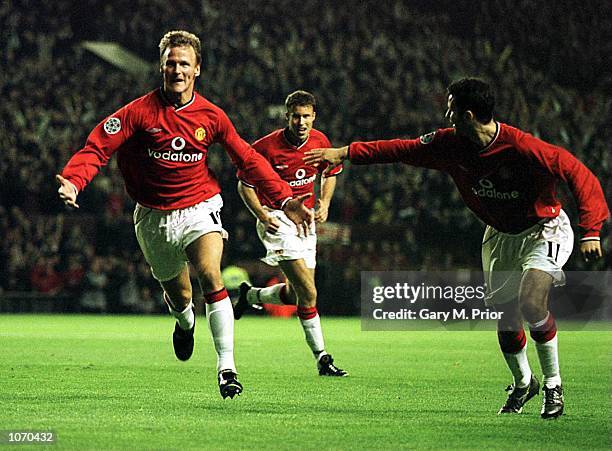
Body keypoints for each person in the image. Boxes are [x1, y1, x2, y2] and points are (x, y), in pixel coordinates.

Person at [304, 78, 608, 417]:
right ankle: (524, 383)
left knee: (532, 302)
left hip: (543, 229)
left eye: (450, 107)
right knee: (507, 322)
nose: (446, 113)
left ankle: (553, 385)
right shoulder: (449, 144)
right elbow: (400, 149)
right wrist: (345, 152)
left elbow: (579, 173)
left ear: (467, 114)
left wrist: (591, 230)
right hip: (499, 236)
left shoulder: (521, 147)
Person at [56, 30, 313, 399]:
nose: (177, 70)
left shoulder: (212, 116)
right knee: (179, 296)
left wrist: (285, 198)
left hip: (199, 206)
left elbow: (248, 159)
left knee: (211, 273)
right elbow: (97, 145)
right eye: (171, 63)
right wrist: (75, 181)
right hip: (154, 217)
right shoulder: (138, 113)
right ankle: (184, 321)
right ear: (162, 67)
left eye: (184, 64)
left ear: (197, 70)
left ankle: (227, 368)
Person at [234, 90, 348, 377]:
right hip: (277, 218)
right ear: (287, 116)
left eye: (306, 116)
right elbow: (244, 185)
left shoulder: (321, 142)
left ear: (314, 117)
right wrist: (261, 215)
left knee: (299, 295)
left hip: (306, 221)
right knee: (309, 293)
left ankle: (251, 297)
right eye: (296, 116)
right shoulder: (266, 147)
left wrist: (325, 202)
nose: (301, 122)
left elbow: (331, 172)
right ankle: (322, 358)